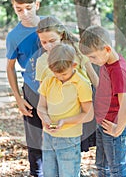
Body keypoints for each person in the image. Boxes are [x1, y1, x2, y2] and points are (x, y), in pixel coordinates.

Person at [36, 16, 98, 152]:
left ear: (61, 35)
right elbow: (43, 98)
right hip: (58, 113)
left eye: (52, 41)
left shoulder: (77, 50)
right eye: (44, 42)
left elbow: (93, 77)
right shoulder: (41, 62)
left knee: (76, 150)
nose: (48, 46)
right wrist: (44, 125)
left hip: (81, 107)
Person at [79, 25, 126, 177]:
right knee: (102, 166)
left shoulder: (117, 71)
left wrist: (117, 129)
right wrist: (87, 64)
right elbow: (99, 85)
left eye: (93, 57)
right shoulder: (106, 63)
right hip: (103, 123)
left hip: (113, 125)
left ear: (107, 49)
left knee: (116, 168)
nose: (92, 60)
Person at [37, 44, 94, 177]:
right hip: (48, 136)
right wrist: (44, 117)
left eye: (64, 74)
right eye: (56, 74)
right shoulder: (48, 80)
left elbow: (89, 114)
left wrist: (65, 121)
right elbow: (41, 106)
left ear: (74, 65)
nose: (60, 77)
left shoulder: (82, 84)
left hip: (69, 138)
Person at [5, 0, 44, 177]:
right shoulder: (14, 36)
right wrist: (19, 99)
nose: (24, 13)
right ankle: (37, 173)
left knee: (62, 137)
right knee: (35, 141)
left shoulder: (51, 24)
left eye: (29, 8)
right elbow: (10, 67)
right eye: (19, 9)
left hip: (59, 91)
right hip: (31, 92)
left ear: (37, 4)